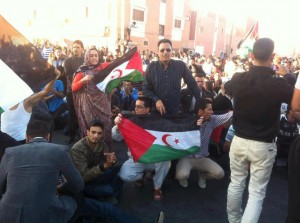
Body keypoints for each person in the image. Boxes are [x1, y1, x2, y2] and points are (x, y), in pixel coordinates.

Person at [226, 38, 294, 223]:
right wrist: (288, 75)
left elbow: (227, 88)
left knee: (236, 184)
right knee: (256, 193)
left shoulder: (238, 78)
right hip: (263, 145)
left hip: (239, 140)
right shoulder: (278, 84)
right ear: (272, 56)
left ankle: (233, 220)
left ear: (251, 55)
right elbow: (294, 97)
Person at [0, 120, 84, 223]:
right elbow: (78, 185)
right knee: (78, 196)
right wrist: (61, 188)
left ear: (26, 137)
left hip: (7, 215)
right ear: (48, 137)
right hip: (45, 216)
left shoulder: (9, 153)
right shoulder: (60, 150)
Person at [113, 96, 170, 201]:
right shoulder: (130, 121)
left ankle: (157, 187)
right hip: (136, 159)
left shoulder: (156, 122)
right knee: (124, 175)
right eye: (135, 106)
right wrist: (117, 126)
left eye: (139, 107)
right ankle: (140, 176)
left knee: (166, 161)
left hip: (154, 159)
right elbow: (116, 137)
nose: (136, 109)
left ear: (148, 109)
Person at [176, 98, 232, 189]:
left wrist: (240, 108)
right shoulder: (187, 121)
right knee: (181, 175)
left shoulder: (212, 120)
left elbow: (228, 116)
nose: (212, 112)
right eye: (209, 109)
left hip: (202, 157)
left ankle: (202, 176)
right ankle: (184, 177)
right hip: (187, 157)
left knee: (220, 174)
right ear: (201, 111)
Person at [70, 119, 123, 204]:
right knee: (108, 190)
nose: (96, 136)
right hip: (83, 182)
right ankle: (107, 198)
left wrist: (112, 160)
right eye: (93, 132)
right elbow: (84, 177)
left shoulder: (101, 143)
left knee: (121, 170)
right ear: (87, 132)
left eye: (99, 133)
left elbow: (109, 160)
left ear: (102, 134)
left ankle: (106, 198)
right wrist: (104, 166)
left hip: (96, 174)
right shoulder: (77, 149)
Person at [142, 38, 200, 115]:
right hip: (156, 112)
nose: (165, 52)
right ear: (158, 52)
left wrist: (200, 104)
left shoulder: (180, 65)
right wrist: (156, 100)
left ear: (172, 51)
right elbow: (145, 88)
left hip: (174, 112)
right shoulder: (151, 67)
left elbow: (192, 84)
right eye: (162, 50)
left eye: (168, 50)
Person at [72, 47, 116, 148]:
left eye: (96, 55)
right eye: (91, 56)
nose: (94, 58)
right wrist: (83, 80)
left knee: (106, 126)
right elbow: (73, 88)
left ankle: (105, 151)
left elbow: (116, 67)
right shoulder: (82, 71)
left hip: (103, 103)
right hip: (88, 104)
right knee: (91, 127)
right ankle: (91, 151)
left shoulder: (103, 67)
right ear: (87, 57)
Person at [1, 74, 58, 143]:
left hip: (20, 141)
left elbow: (45, 92)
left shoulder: (26, 102)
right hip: (4, 141)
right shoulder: (3, 102)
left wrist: (54, 76)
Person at [64, 40, 84, 144]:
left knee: (83, 112)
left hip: (83, 92)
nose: (76, 49)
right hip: (71, 91)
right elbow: (69, 76)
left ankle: (82, 133)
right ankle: (71, 134)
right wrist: (78, 82)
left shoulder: (85, 60)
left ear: (82, 48)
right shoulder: (68, 61)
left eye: (78, 47)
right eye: (74, 47)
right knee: (72, 113)